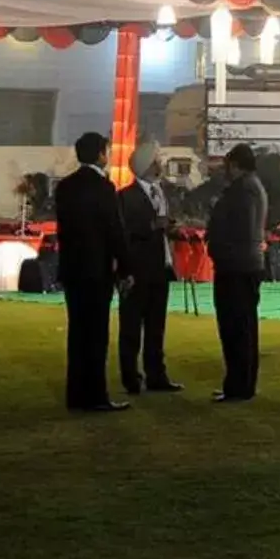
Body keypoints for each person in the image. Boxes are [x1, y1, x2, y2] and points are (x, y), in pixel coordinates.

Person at [54, 132, 130, 412]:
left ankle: (76, 394)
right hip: (97, 270)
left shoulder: (64, 187)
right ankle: (96, 395)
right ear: (101, 153)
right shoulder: (104, 187)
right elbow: (114, 230)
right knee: (97, 335)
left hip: (73, 269)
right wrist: (125, 266)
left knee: (77, 334)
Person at [115, 142, 182, 394]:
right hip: (136, 271)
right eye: (156, 161)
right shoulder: (125, 196)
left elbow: (161, 227)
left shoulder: (161, 192)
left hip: (160, 269)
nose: (160, 165)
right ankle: (131, 379)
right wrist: (154, 225)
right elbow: (124, 234)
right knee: (131, 328)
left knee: (156, 328)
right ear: (147, 166)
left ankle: (157, 376)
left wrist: (170, 229)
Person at [207, 143, 268, 403]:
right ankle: (240, 384)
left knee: (235, 329)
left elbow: (238, 229)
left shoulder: (243, 190)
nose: (224, 170)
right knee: (243, 328)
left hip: (236, 266)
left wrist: (217, 244)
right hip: (245, 264)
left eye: (227, 165)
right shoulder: (251, 187)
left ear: (235, 165)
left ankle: (238, 386)